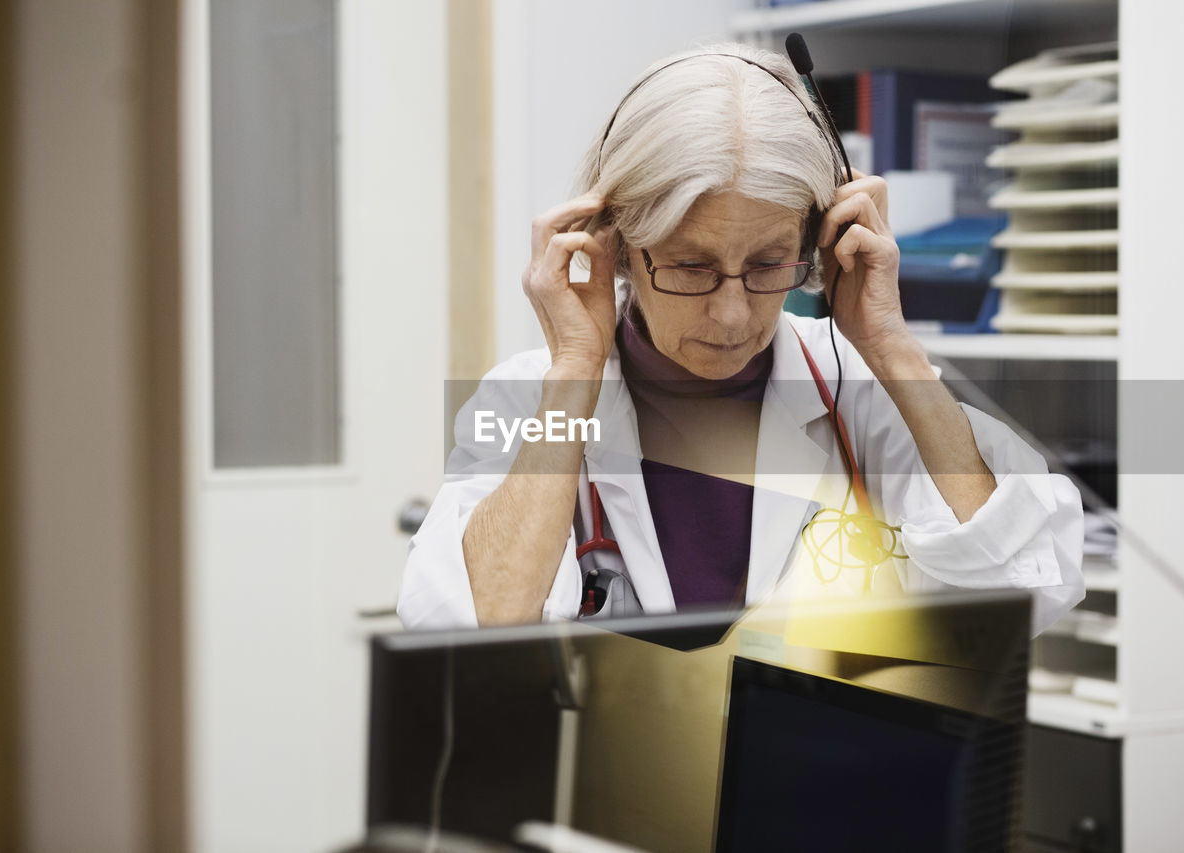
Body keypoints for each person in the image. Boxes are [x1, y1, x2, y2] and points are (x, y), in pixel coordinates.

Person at [398, 43, 1084, 635]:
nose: (731, 315)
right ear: (619, 246)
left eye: (766, 265)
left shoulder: (863, 391)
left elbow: (1021, 592)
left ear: (820, 245)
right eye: (691, 266)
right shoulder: (529, 401)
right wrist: (576, 368)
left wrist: (893, 348)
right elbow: (473, 639)